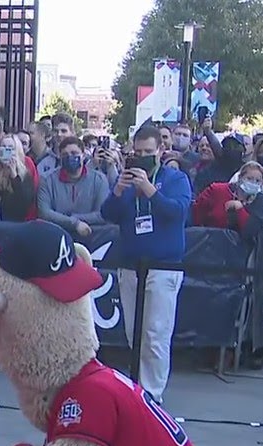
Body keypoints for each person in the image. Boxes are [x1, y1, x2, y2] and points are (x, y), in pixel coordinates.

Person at [100, 123, 192, 405]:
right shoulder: (125, 182)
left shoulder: (175, 178)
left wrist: (151, 191)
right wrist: (118, 190)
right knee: (135, 332)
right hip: (130, 265)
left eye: (148, 151)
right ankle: (138, 386)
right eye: (137, 151)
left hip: (163, 266)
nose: (142, 156)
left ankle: (153, 395)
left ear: (161, 150)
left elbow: (177, 212)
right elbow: (108, 214)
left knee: (156, 332)